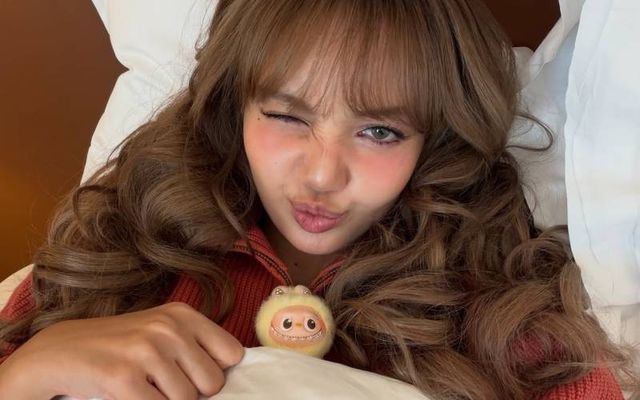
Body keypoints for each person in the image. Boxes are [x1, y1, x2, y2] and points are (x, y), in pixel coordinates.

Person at [0, 0, 636, 399]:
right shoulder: (120, 246)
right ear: (233, 108)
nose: (323, 175)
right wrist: (23, 374)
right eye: (286, 116)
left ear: (435, 142)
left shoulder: (500, 307)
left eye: (379, 131)